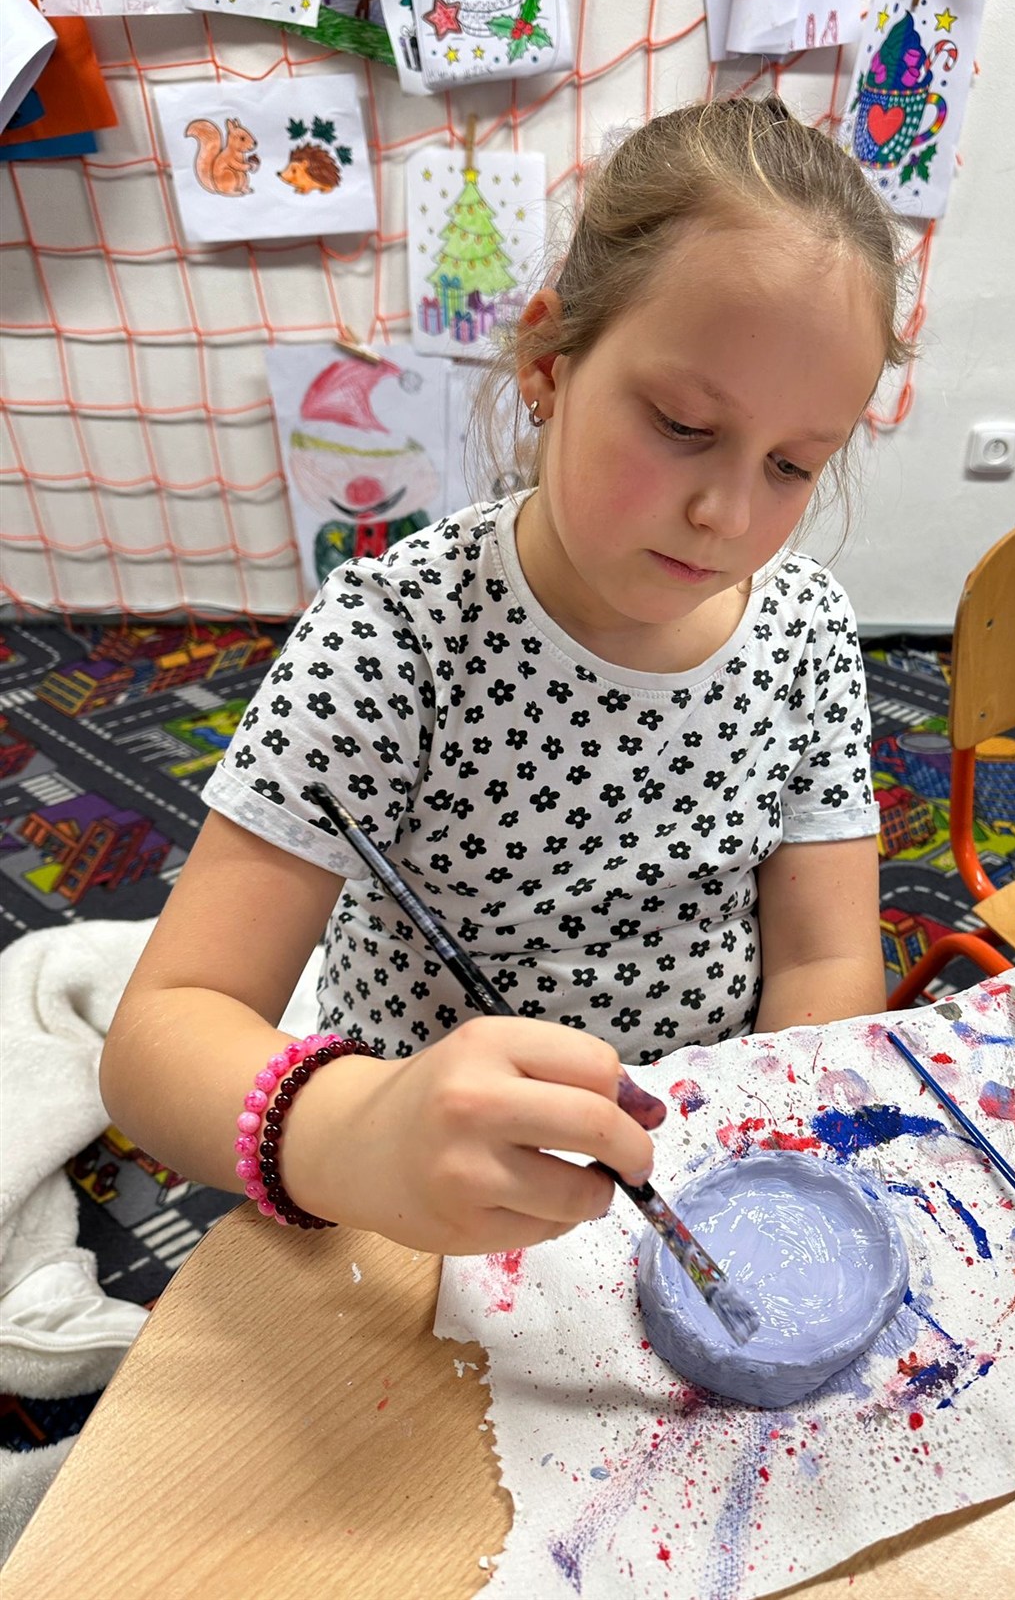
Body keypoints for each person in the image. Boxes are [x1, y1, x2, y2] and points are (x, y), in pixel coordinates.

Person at [101, 95, 909, 1261]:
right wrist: (354, 1133)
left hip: (691, 1178)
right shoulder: (397, 634)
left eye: (791, 465)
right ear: (547, 363)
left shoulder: (804, 629)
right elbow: (161, 1037)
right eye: (683, 425)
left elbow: (822, 958)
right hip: (424, 1200)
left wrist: (770, 1145)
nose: (728, 514)